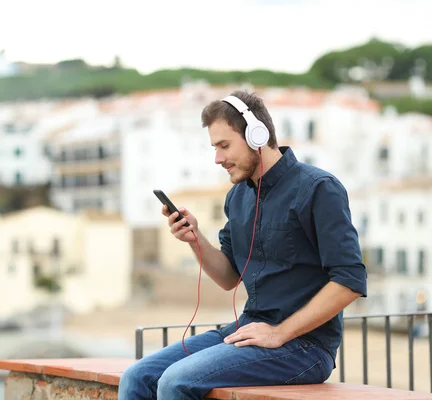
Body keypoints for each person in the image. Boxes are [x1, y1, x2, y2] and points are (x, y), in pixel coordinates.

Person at [118, 90, 367, 399]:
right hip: (247, 331)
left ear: (257, 135)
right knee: (137, 376)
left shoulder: (319, 188)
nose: (217, 159)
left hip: (306, 346)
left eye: (224, 146)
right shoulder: (237, 197)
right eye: (214, 147)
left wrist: (279, 333)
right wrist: (195, 240)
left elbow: (350, 280)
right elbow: (229, 277)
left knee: (174, 382)